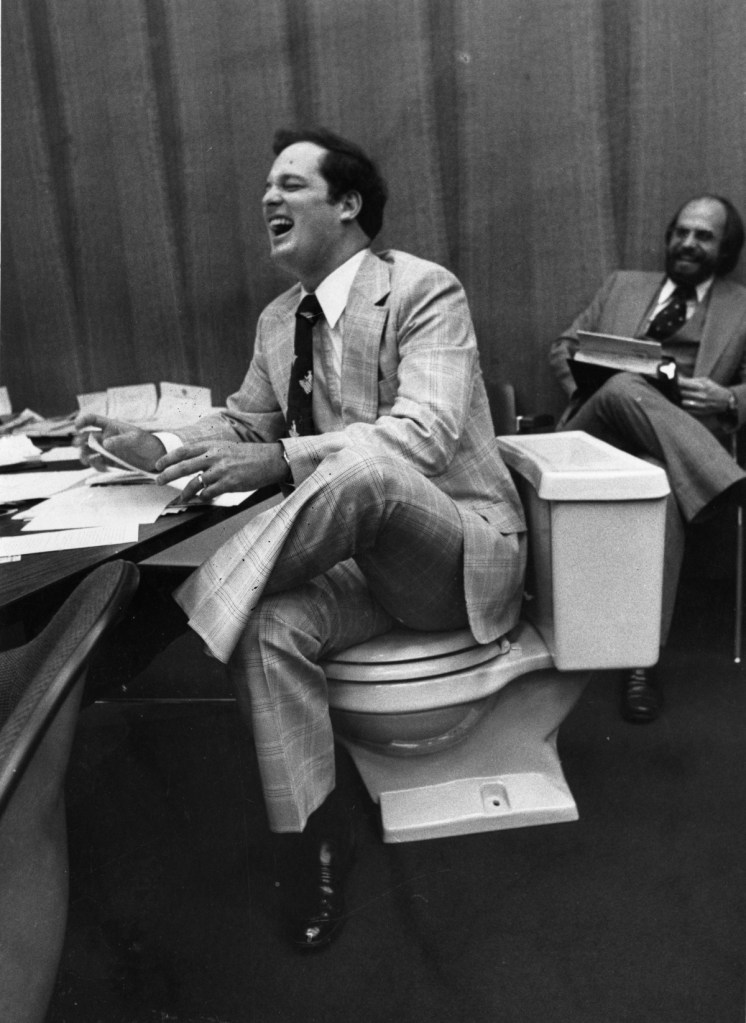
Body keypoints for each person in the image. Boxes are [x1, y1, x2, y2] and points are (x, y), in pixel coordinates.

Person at [75, 127, 527, 950]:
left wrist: (279, 456)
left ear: (348, 205)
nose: (267, 201)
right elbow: (242, 420)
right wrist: (162, 447)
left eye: (290, 185)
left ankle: (169, 614)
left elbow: (422, 434)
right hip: (355, 561)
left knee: (368, 469)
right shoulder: (282, 317)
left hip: (454, 552)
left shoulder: (426, 291)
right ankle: (317, 834)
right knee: (269, 621)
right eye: (266, 191)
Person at [549, 194, 746, 724]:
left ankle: (641, 660)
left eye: (703, 236)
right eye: (680, 232)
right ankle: (722, 483)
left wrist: (729, 399)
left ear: (724, 248)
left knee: (658, 482)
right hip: (592, 434)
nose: (687, 242)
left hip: (668, 452)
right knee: (621, 387)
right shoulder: (622, 285)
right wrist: (586, 383)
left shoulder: (742, 306)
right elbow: (562, 346)